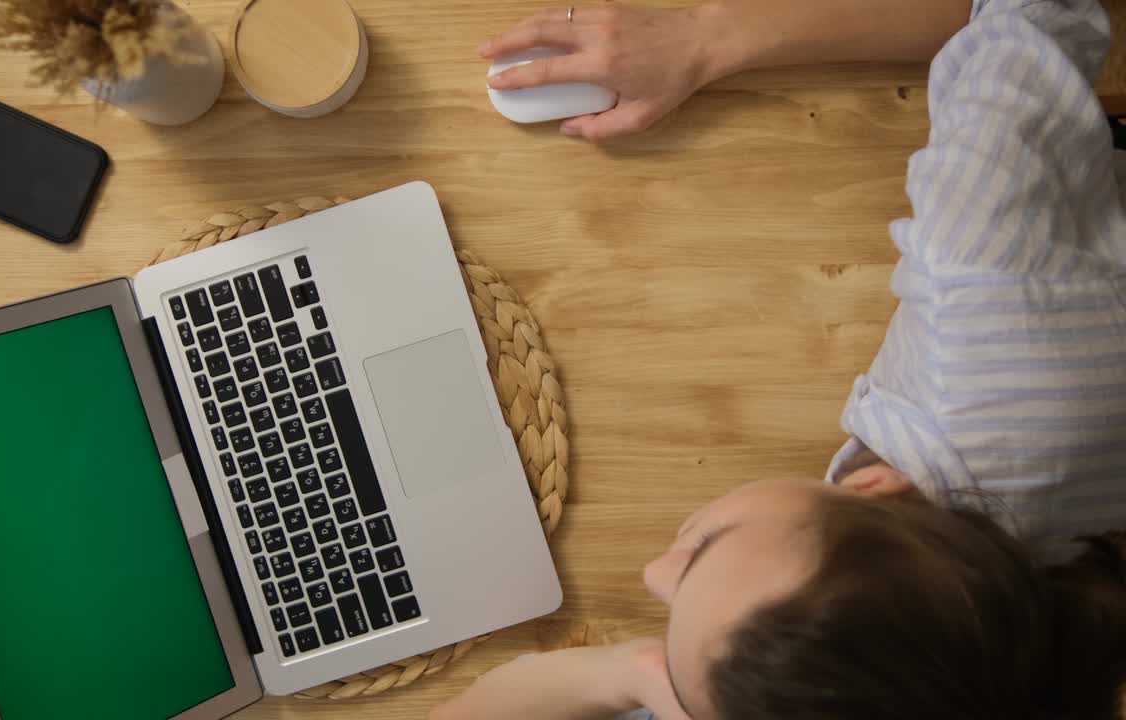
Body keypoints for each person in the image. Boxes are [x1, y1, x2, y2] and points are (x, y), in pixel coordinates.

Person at [433, 0, 1126, 718]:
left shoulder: (986, 651)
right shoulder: (979, 278)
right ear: (873, 490)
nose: (653, 571)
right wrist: (702, 37)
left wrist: (635, 670)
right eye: (700, 550)